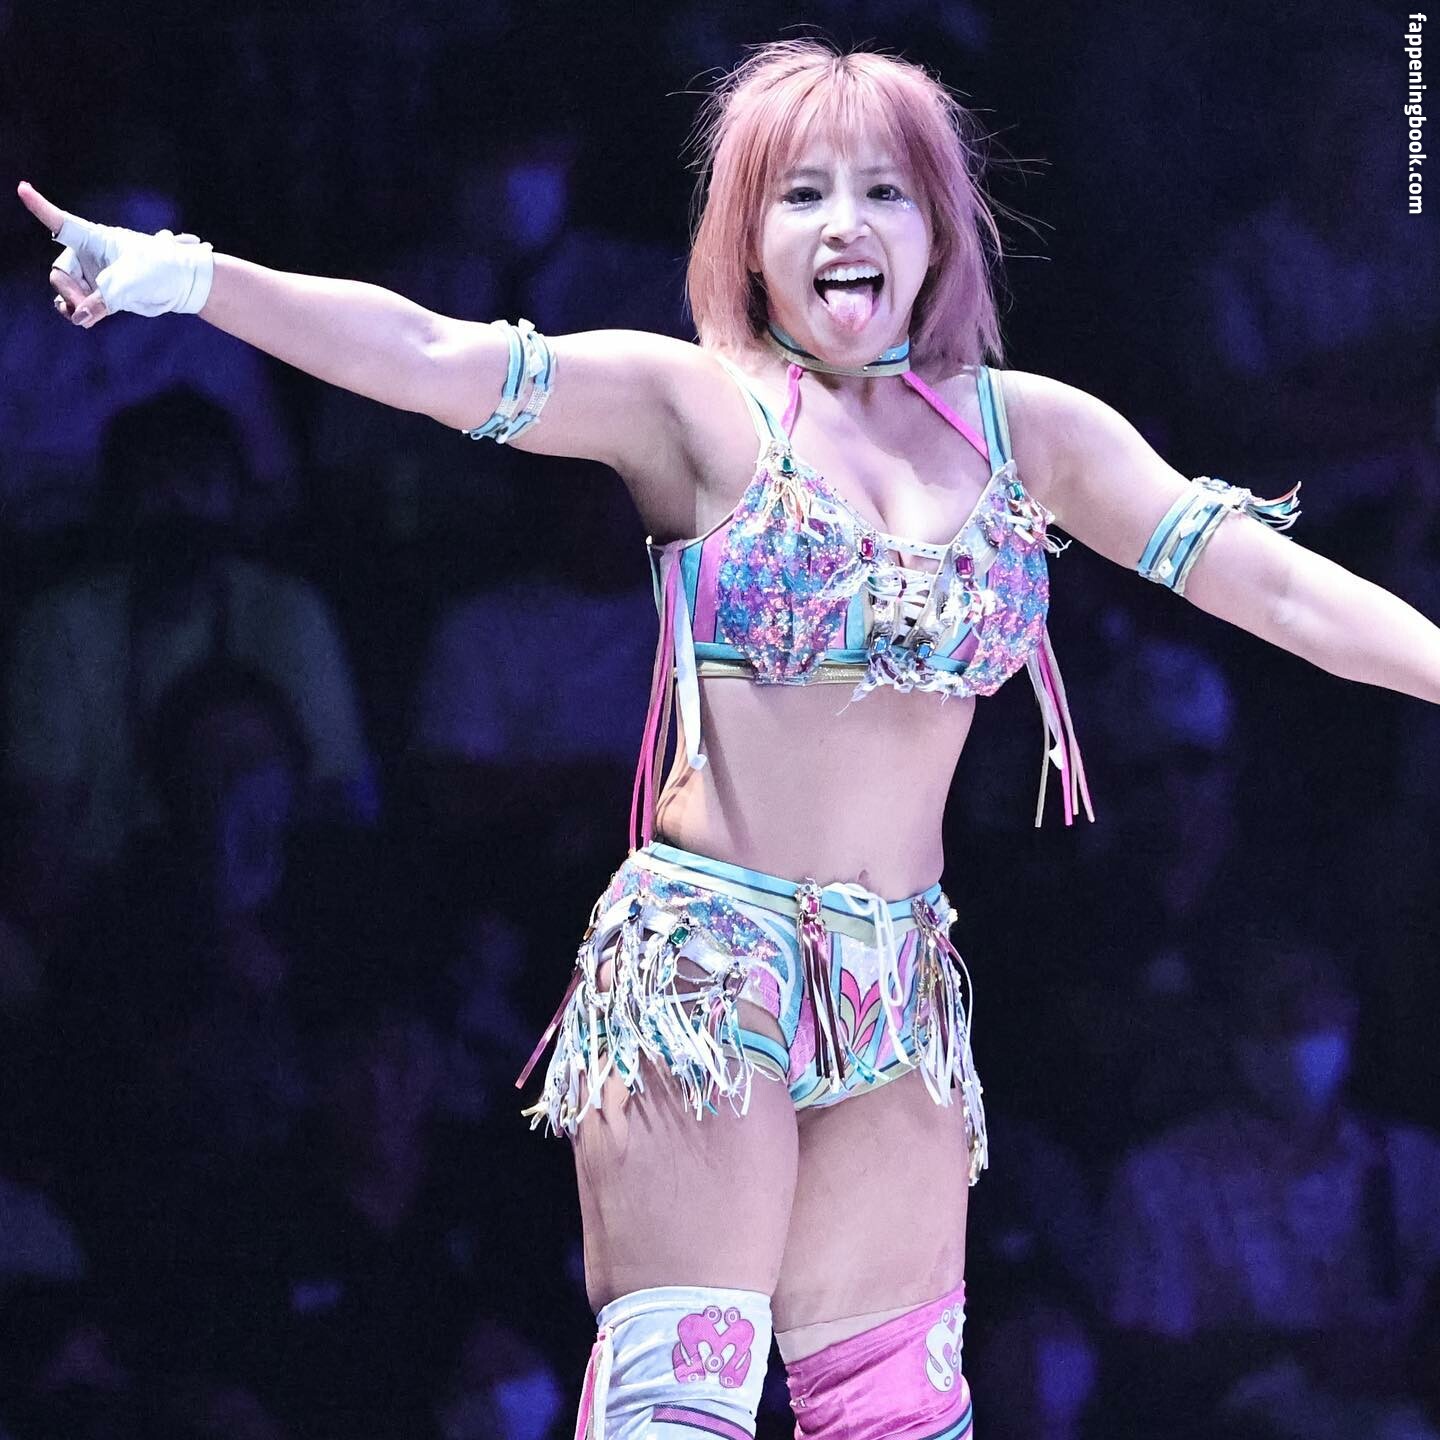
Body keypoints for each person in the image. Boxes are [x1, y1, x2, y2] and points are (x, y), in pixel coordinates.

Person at [16, 37, 1440, 1440]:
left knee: (897, 1420)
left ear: (940, 227)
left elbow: (1271, 585)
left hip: (899, 990)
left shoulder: (1033, 434)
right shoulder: (693, 406)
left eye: (883, 192)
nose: (844, 225)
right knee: (678, 1412)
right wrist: (187, 276)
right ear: (749, 236)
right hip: (709, 969)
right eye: (800, 194)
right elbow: (432, 353)